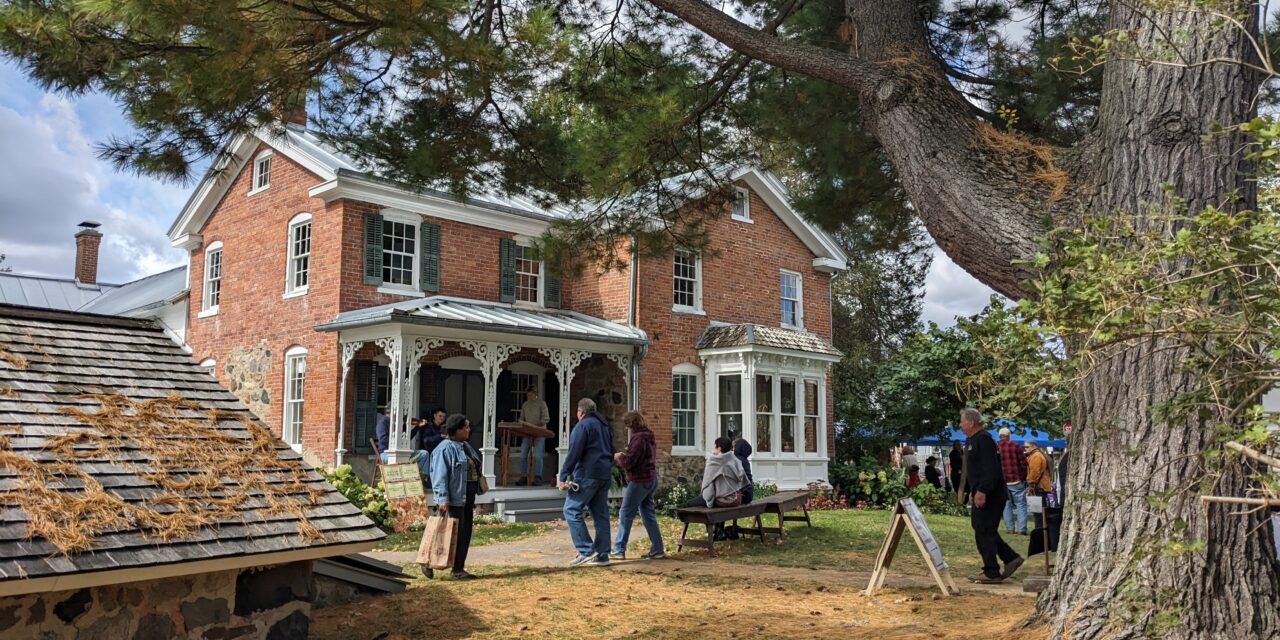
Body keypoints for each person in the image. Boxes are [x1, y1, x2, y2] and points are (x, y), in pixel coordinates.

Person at [961, 408, 1022, 583]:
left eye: (962, 421)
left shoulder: (984, 439)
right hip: (981, 491)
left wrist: (983, 491)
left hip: (991, 494)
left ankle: (991, 571)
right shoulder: (972, 440)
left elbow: (991, 469)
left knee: (983, 530)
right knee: (983, 528)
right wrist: (972, 491)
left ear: (971, 422)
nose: (960, 425)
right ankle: (1010, 558)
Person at [558, 398, 614, 567]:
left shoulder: (583, 425)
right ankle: (602, 554)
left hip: (587, 474)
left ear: (581, 412)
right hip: (604, 473)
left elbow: (574, 451)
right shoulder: (604, 426)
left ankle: (586, 550)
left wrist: (563, 475)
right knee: (600, 513)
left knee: (571, 509)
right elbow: (612, 450)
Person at [429, 414, 481, 580]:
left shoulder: (465, 446)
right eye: (465, 427)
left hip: (467, 497)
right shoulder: (444, 449)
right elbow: (439, 476)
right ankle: (427, 561)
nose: (468, 430)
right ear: (457, 430)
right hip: (454, 499)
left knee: (464, 533)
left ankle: (458, 569)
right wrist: (442, 499)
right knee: (449, 533)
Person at [610, 411, 665, 560]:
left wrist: (620, 457)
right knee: (648, 515)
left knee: (625, 513)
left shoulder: (638, 439)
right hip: (651, 479)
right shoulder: (649, 436)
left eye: (628, 426)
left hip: (639, 481)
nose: (628, 429)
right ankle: (658, 549)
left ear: (632, 424)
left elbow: (630, 463)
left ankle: (619, 549)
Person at [688, 437, 750, 508]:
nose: (713, 449)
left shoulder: (713, 462)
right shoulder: (734, 459)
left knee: (689, 504)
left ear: (719, 448)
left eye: (715, 447)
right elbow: (744, 481)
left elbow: (708, 488)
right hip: (736, 499)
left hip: (724, 501)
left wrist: (709, 502)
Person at [376, 408, 431, 479]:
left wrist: (417, 427)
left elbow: (407, 438)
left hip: (402, 453)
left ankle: (418, 480)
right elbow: (383, 440)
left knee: (424, 454)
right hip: (386, 453)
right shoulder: (383, 422)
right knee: (399, 458)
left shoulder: (398, 423)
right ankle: (405, 481)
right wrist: (398, 442)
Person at [997, 427, 1029, 535]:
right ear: (1008, 436)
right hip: (1016, 480)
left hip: (1002, 481)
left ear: (999, 436)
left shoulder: (995, 447)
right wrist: (1022, 477)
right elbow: (1024, 463)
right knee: (1021, 504)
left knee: (1006, 505)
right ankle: (1022, 529)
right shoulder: (1015, 446)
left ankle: (1010, 529)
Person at [517, 388, 551, 485]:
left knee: (537, 455)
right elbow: (521, 417)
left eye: (530, 395)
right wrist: (521, 422)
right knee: (523, 454)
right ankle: (523, 477)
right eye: (527, 395)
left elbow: (546, 419)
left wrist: (534, 426)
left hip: (539, 432)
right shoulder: (525, 404)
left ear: (535, 394)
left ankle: (538, 477)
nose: (529, 397)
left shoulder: (542, 403)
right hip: (527, 433)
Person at [731, 430, 754, 504]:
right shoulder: (745, 461)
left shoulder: (737, 460)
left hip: (742, 496)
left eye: (734, 447)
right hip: (748, 494)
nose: (733, 449)